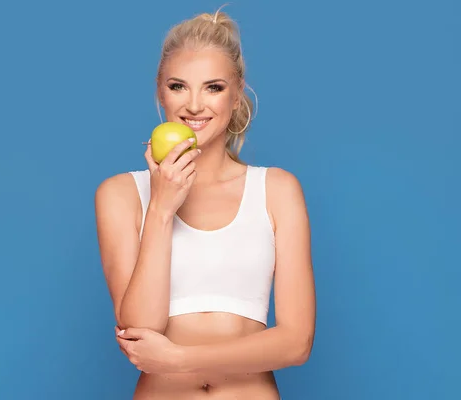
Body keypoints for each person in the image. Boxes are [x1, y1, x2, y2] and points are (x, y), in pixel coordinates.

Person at [94, 6, 316, 399]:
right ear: (159, 91)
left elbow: (296, 343)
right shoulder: (120, 195)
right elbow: (138, 328)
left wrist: (179, 360)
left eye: (213, 87)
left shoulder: (277, 190)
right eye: (178, 86)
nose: (194, 105)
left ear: (237, 95)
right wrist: (161, 209)